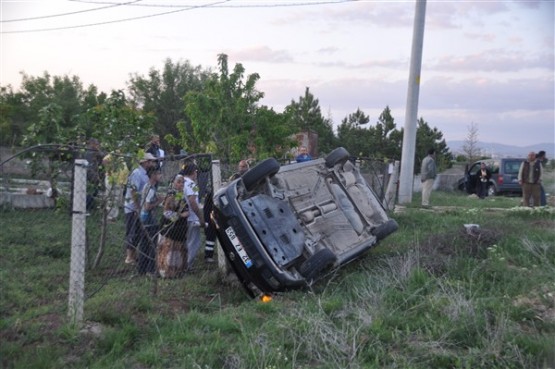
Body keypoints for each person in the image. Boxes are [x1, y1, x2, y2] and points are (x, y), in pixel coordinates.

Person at [122, 153, 156, 265]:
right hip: (133, 208)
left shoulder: (144, 174)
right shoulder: (137, 173)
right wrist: (137, 208)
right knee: (133, 231)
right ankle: (129, 257)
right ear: (146, 162)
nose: (153, 163)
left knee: (137, 231)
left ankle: (133, 255)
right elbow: (133, 191)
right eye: (151, 161)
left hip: (138, 207)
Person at [157, 175, 190, 278]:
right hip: (170, 229)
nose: (182, 184)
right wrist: (180, 215)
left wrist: (183, 214)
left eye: (183, 182)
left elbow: (185, 210)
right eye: (179, 182)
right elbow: (166, 212)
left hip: (179, 229)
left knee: (178, 251)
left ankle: (177, 272)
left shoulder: (180, 194)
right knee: (169, 251)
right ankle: (166, 273)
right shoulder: (171, 195)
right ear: (174, 183)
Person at [180, 161, 207, 270]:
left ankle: (183, 263)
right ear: (194, 172)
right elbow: (192, 201)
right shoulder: (192, 184)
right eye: (196, 172)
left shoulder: (181, 182)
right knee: (193, 242)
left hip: (184, 216)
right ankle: (188, 265)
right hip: (192, 217)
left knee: (186, 241)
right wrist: (201, 218)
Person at [137, 166, 164, 275]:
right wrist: (159, 201)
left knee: (144, 244)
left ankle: (142, 269)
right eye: (158, 173)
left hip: (144, 219)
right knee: (152, 245)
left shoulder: (149, 187)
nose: (160, 176)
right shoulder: (150, 189)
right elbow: (148, 206)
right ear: (153, 175)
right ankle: (150, 269)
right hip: (149, 220)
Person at [102, 152, 129, 221]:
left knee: (116, 199)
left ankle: (114, 216)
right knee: (111, 198)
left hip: (119, 182)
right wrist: (110, 169)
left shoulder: (122, 157)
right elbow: (104, 161)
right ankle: (109, 217)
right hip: (112, 180)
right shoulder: (115, 153)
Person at [84, 138, 105, 211]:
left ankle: (90, 207)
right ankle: (86, 207)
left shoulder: (94, 151)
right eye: (96, 144)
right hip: (90, 175)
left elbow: (103, 155)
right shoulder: (90, 152)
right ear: (92, 144)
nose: (98, 145)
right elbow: (102, 155)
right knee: (91, 191)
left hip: (94, 174)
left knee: (94, 191)